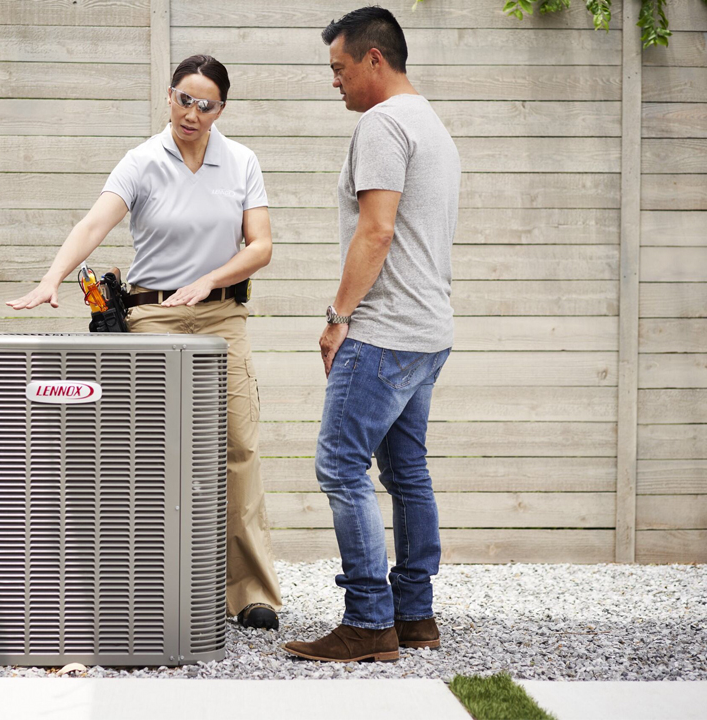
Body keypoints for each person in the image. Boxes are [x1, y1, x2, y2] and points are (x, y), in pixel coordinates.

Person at [7, 54, 283, 630]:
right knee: (143, 459)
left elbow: (260, 246)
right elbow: (92, 226)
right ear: (169, 96)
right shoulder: (141, 161)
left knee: (237, 450)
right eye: (184, 98)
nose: (192, 111)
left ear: (220, 110)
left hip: (221, 318)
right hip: (152, 321)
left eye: (205, 104)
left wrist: (209, 278)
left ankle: (251, 592)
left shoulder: (242, 162)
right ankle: (141, 583)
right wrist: (49, 279)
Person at [282, 6, 460, 662]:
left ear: (373, 60)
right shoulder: (431, 123)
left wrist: (337, 319)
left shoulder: (383, 124)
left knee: (340, 465)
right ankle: (415, 616)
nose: (335, 82)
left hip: (383, 332)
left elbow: (377, 230)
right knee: (406, 469)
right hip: (428, 328)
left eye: (339, 67)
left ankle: (368, 620)